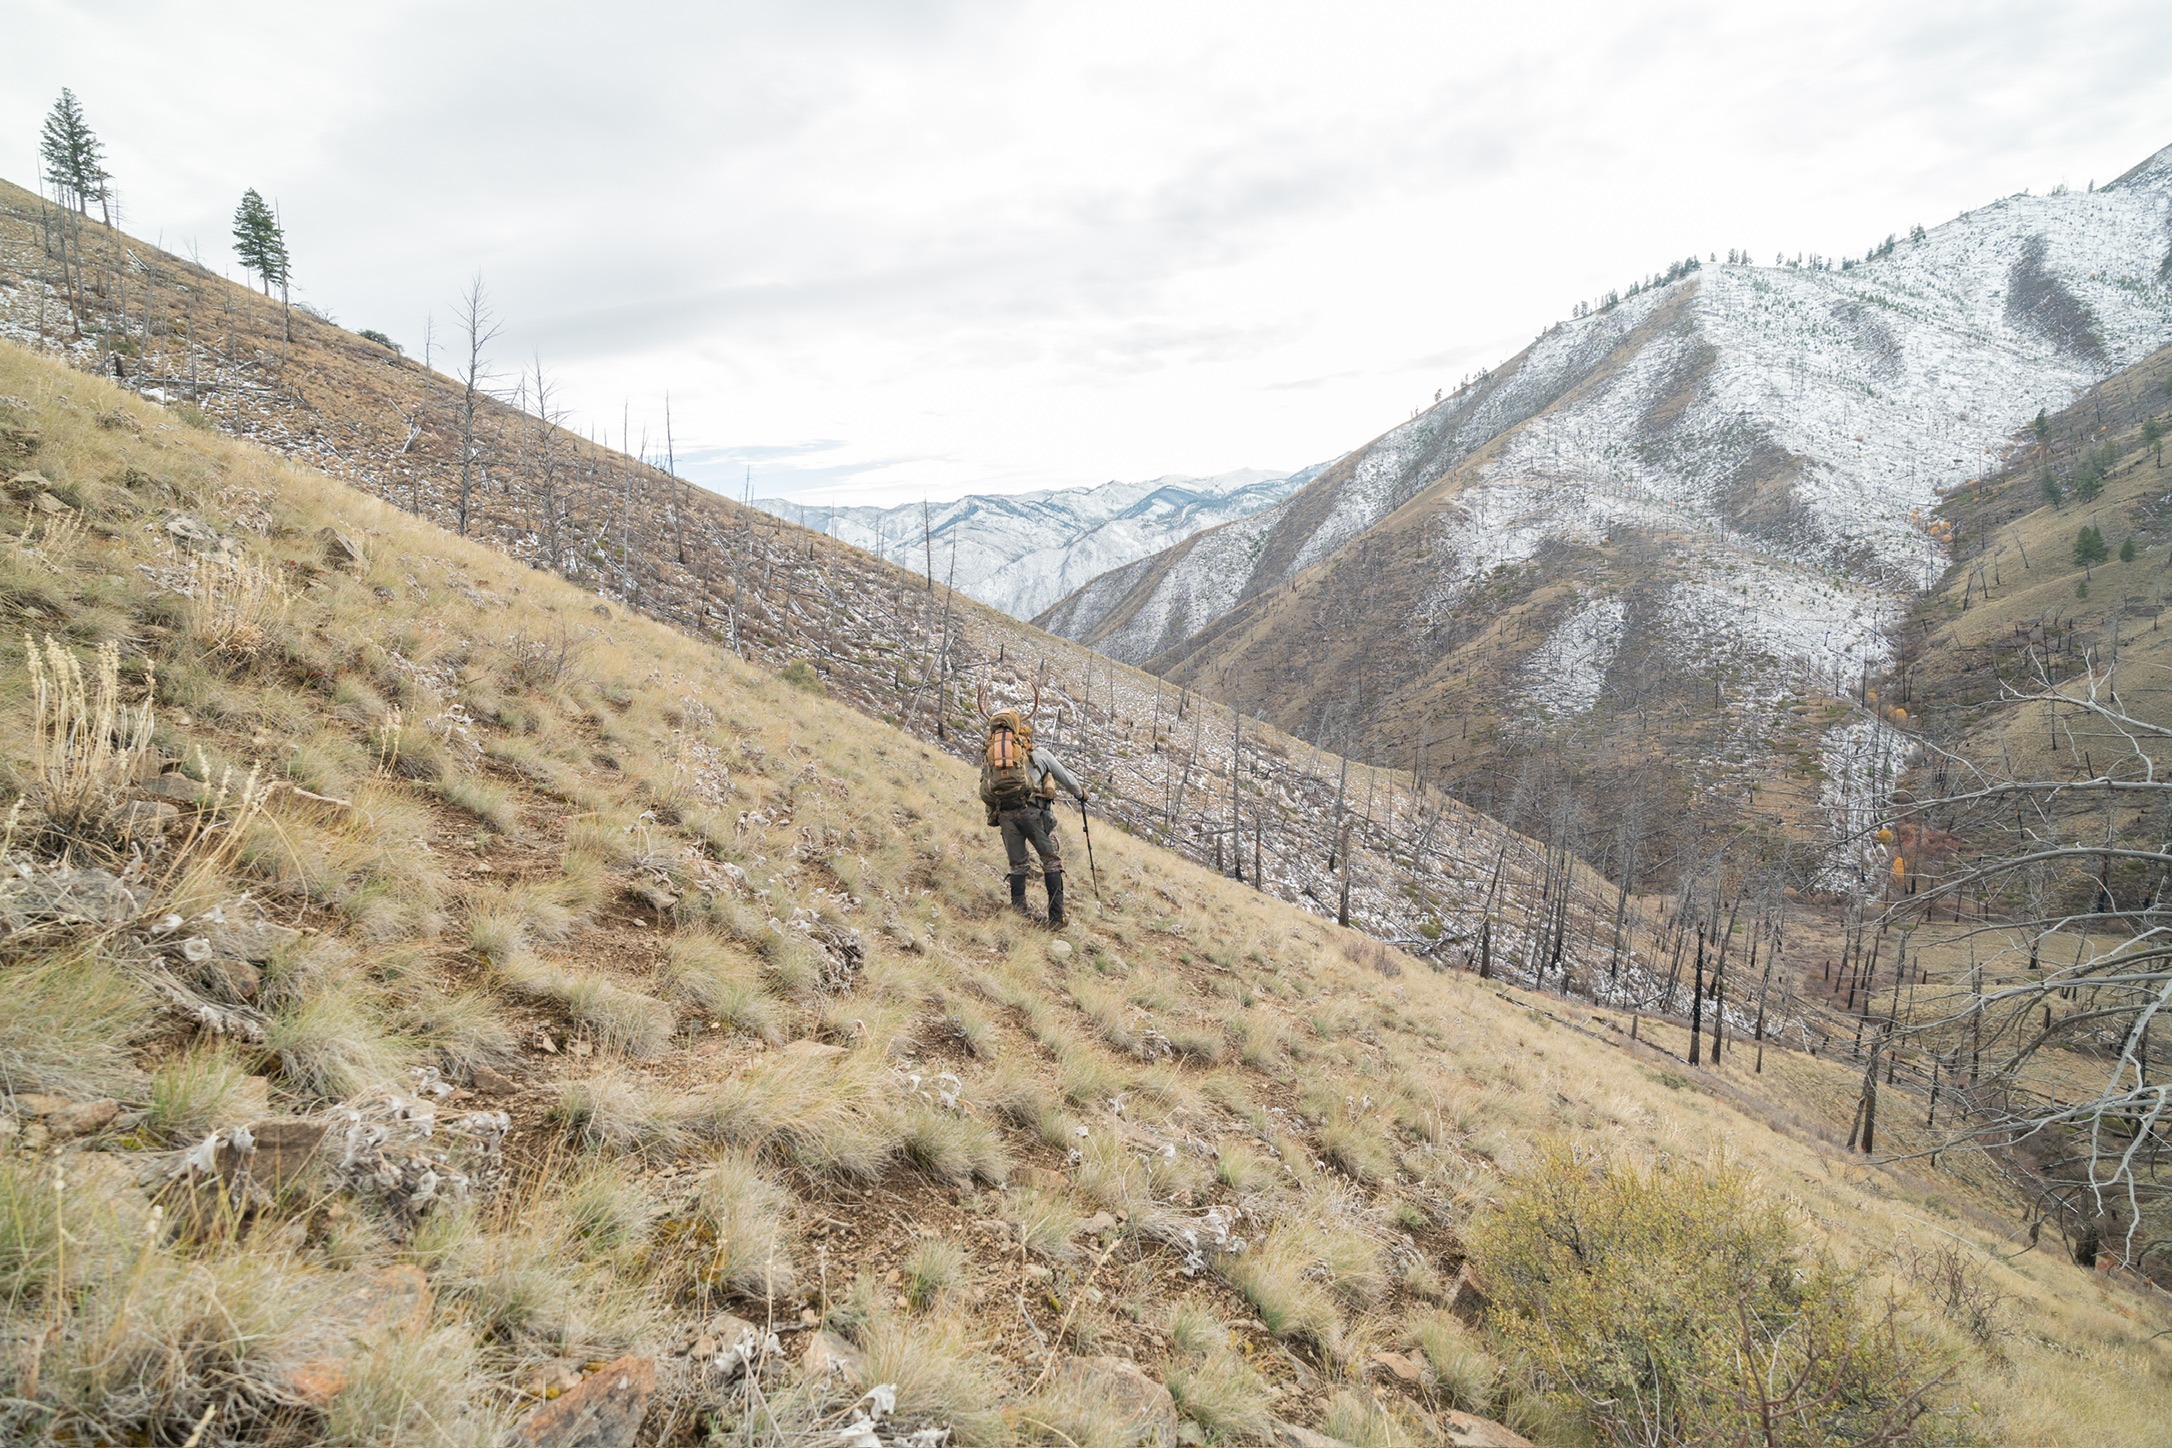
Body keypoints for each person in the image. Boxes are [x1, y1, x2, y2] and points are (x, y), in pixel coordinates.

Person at [978, 707, 1088, 927]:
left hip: (1006, 815)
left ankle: (1019, 912)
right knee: (1051, 861)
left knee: (1017, 864)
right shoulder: (1039, 754)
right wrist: (1081, 794)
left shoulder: (993, 757)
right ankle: (1057, 918)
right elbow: (1067, 779)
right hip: (1032, 814)